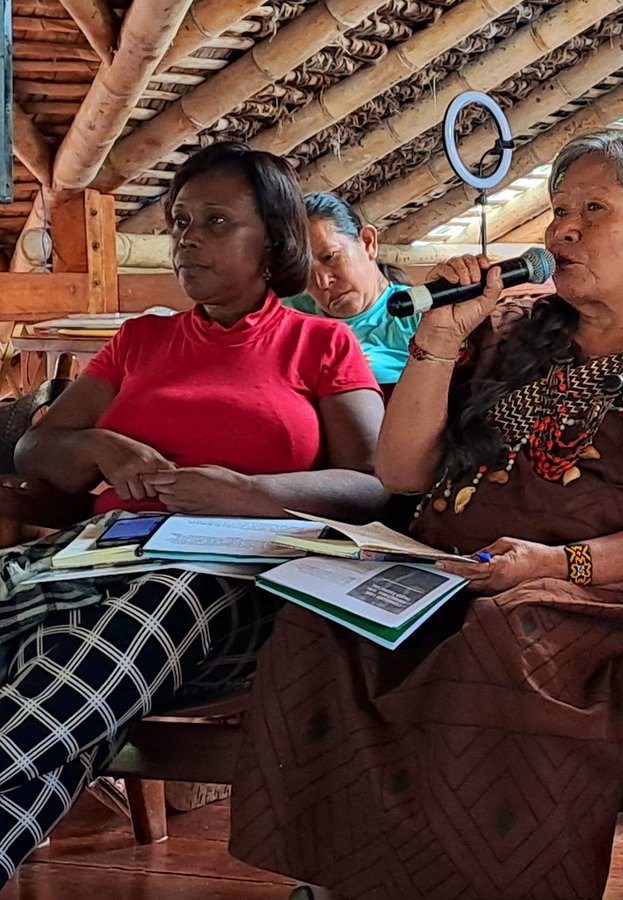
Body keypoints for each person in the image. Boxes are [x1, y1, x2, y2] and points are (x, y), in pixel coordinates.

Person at [229, 132, 623, 899]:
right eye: (559, 209)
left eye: (593, 209)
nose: (561, 229)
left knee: (507, 632)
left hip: (608, 592)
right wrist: (439, 337)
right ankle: (355, 880)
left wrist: (555, 565)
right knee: (320, 622)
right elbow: (401, 472)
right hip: (449, 568)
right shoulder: (505, 332)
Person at [0, 141, 387, 880]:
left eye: (215, 222)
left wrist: (252, 494)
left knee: (143, 612)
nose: (188, 239)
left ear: (272, 241)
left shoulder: (320, 344)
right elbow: (36, 452)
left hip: (230, 581)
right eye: (181, 222)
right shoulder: (141, 340)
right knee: (68, 677)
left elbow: (373, 486)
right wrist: (103, 446)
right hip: (101, 558)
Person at [288, 192, 420, 399]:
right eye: (305, 274)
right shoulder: (290, 320)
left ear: (368, 242)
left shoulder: (418, 313)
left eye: (330, 257)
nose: (322, 282)